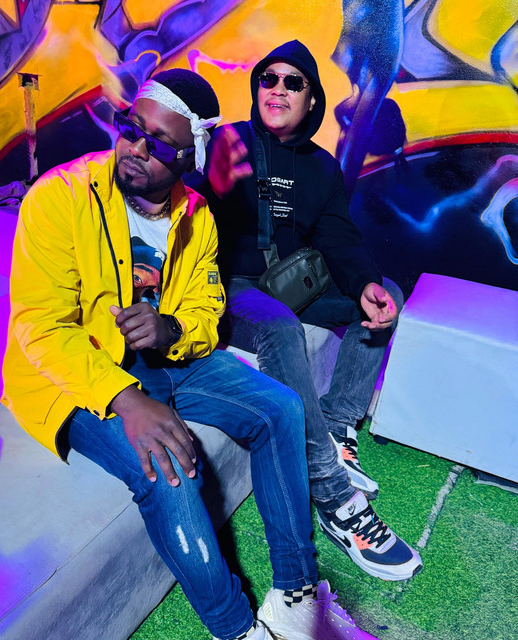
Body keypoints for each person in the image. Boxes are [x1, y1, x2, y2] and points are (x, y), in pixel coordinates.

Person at [1, 69, 377, 640]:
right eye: (132, 129)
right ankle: (237, 630)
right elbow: (42, 327)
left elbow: (206, 309)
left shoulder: (197, 217)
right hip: (81, 372)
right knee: (168, 470)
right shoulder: (59, 197)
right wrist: (126, 399)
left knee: (282, 407)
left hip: (167, 359)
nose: (135, 149)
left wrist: (170, 329)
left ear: (188, 159)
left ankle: (295, 594)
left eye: (159, 145)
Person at [188, 40, 422, 581]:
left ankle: (337, 425)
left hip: (294, 281)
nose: (277, 90)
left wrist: (364, 282)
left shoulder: (322, 167)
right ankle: (331, 492)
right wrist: (207, 185)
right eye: (268, 79)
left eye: (293, 82)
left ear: (312, 98)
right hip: (235, 286)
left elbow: (339, 238)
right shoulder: (227, 142)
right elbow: (180, 201)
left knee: (385, 289)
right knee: (279, 325)